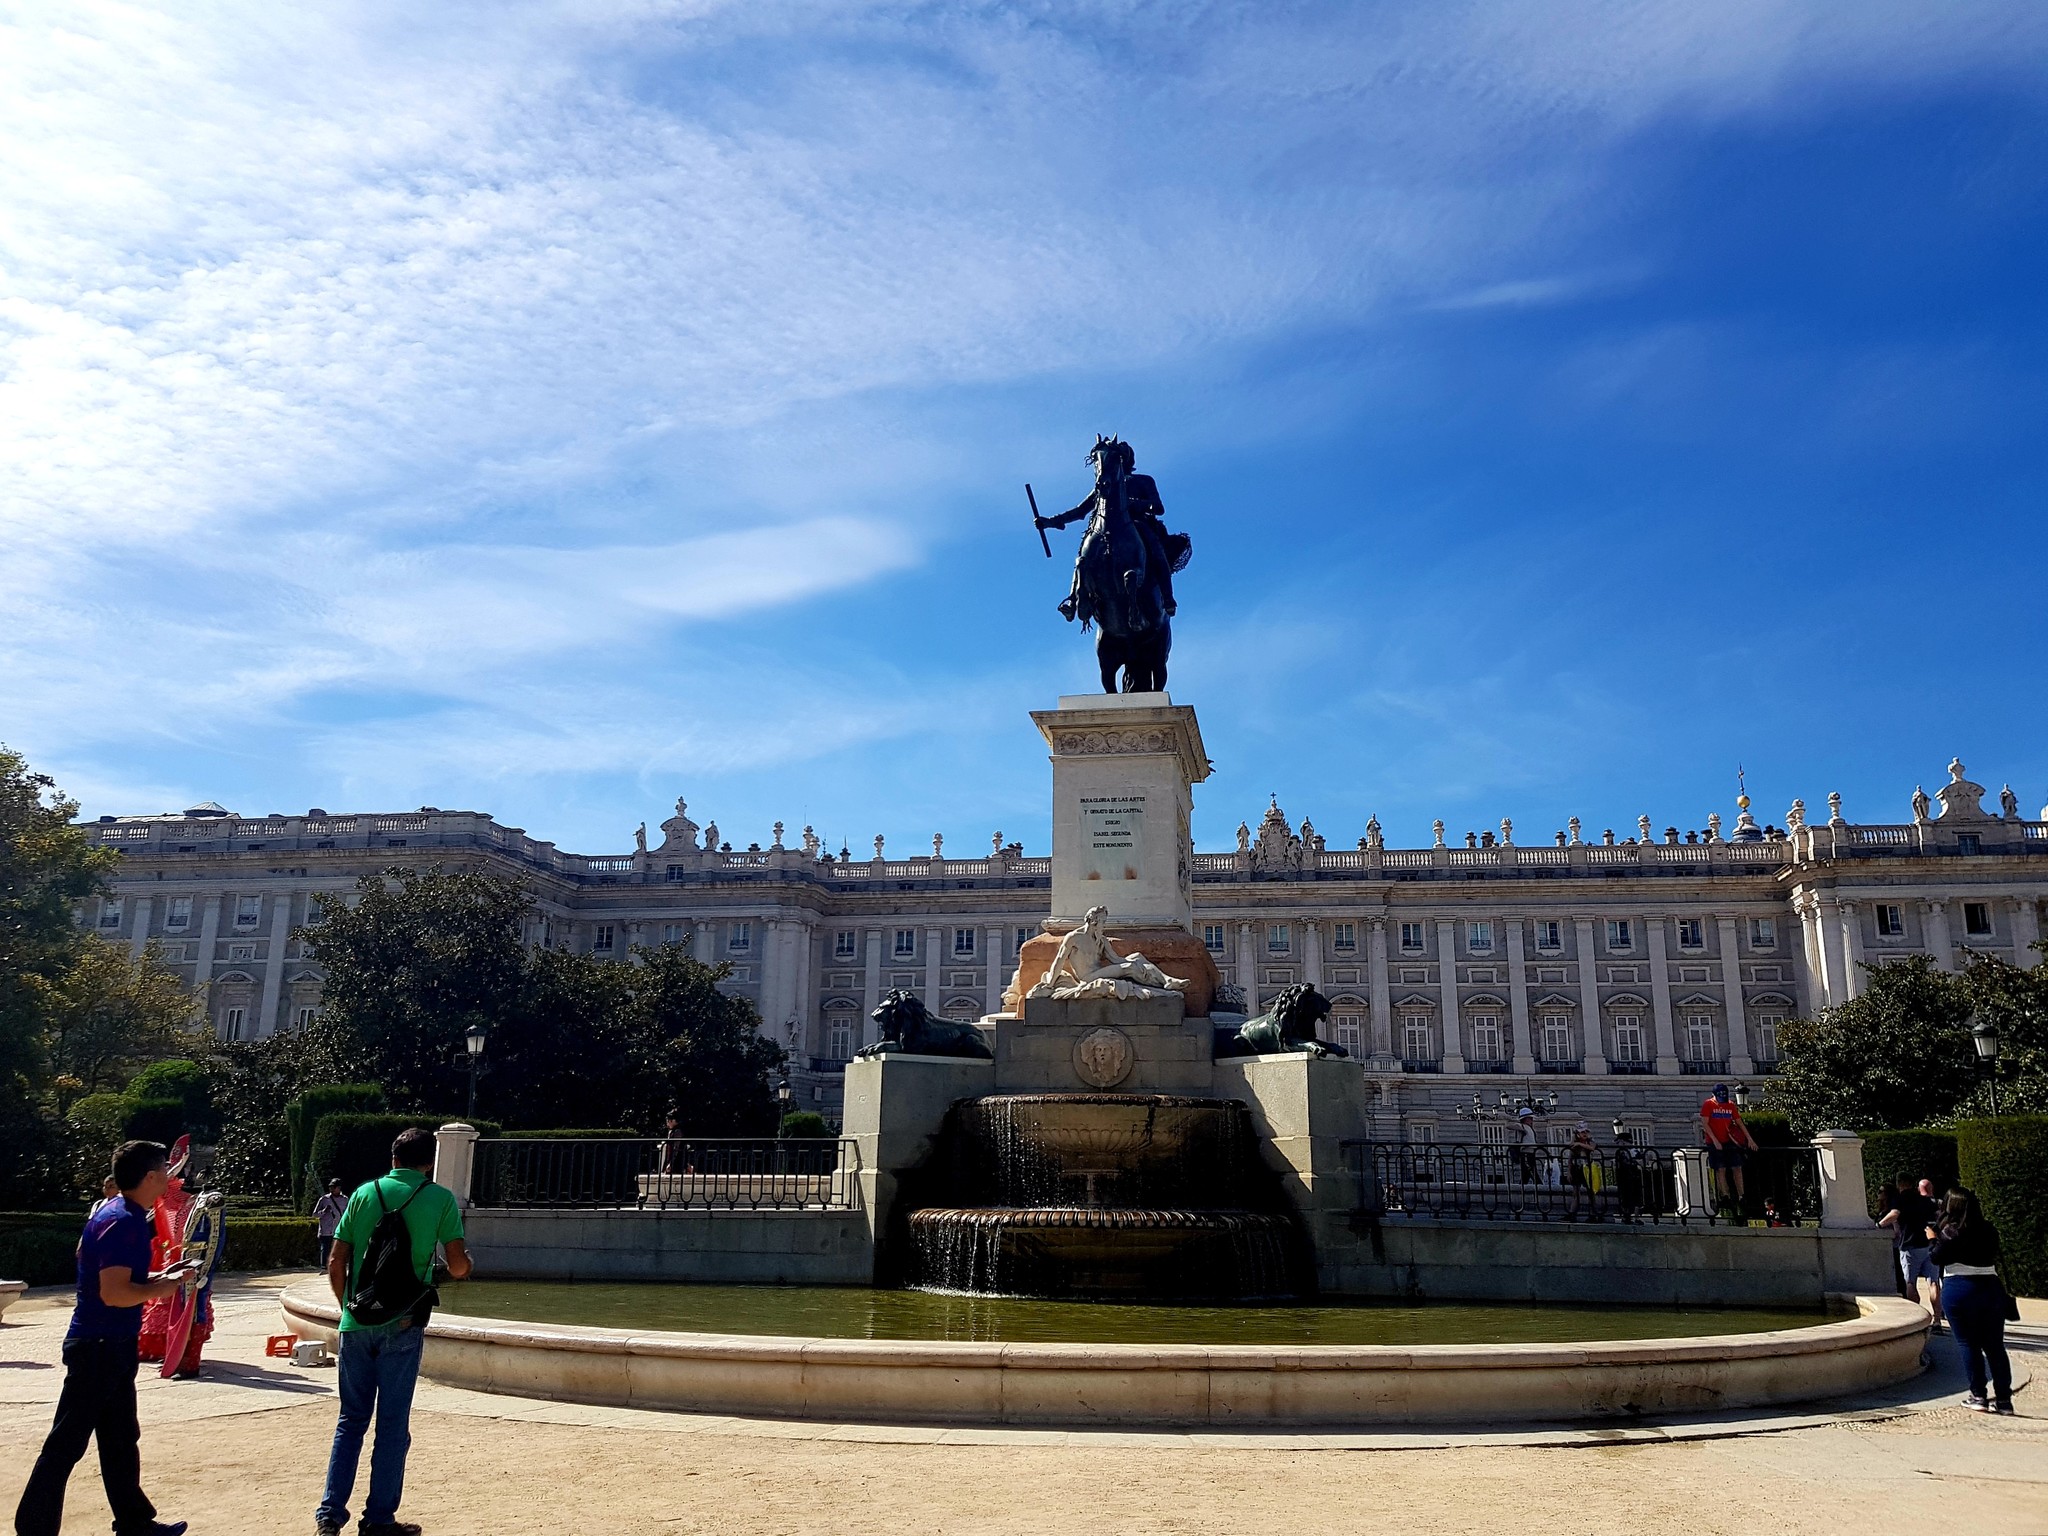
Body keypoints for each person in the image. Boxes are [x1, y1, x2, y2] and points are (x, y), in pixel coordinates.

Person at [14, 1140, 192, 1536]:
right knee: (68, 1442)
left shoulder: (118, 1214)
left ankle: (135, 1522)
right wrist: (161, 1289)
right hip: (99, 1346)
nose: (170, 1174)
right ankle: (34, 1528)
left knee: (120, 1439)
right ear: (150, 1177)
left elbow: (103, 1273)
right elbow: (114, 1294)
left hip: (107, 1344)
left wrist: (165, 1278)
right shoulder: (124, 1219)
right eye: (164, 1168)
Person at [316, 1128, 472, 1536]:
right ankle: (379, 1520)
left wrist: (345, 1308)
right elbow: (456, 1266)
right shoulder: (439, 1198)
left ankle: (329, 1516)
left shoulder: (364, 1194)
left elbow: (336, 1260)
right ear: (429, 1163)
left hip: (356, 1322)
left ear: (393, 1158)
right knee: (391, 1425)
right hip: (403, 1322)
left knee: (350, 1421)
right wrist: (466, 1264)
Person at [1928, 1186, 2013, 1414]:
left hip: (1959, 1285)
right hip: (1990, 1285)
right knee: (1995, 1345)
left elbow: (1936, 1257)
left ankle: (1978, 1395)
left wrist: (1932, 1238)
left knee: (1968, 1344)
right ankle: (2004, 1399)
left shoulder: (1951, 1231)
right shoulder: (1988, 1229)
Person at [136, 1139, 211, 1376]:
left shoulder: (187, 1204)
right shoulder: (161, 1204)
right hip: (169, 1255)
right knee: (169, 1302)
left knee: (188, 1304)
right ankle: (173, 1351)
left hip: (185, 1261)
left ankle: (184, 1354)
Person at [1877, 1173, 1945, 1328]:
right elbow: (1938, 1215)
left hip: (1909, 1244)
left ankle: (1918, 1319)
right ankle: (1937, 1320)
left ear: (1900, 1184)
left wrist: (1878, 1225)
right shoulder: (1924, 1200)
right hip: (1928, 1243)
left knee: (1910, 1282)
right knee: (1933, 1282)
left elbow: (1894, 1215)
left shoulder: (1901, 1199)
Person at [1697, 1083, 1758, 1210]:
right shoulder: (1708, 1104)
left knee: (1737, 1167)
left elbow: (1739, 1122)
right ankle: (1725, 1196)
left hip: (1730, 1140)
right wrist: (1715, 1141)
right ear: (1714, 1095)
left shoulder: (1730, 1105)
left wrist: (1750, 1139)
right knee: (1721, 1169)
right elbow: (1705, 1124)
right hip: (1714, 1142)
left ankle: (1742, 1196)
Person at [314, 1178, 349, 1267]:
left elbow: (348, 1214)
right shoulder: (324, 1199)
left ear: (339, 1188)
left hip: (338, 1229)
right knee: (325, 1249)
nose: (332, 1189)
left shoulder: (345, 1199)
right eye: (331, 1187)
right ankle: (324, 1267)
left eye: (334, 1187)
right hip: (326, 1230)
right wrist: (324, 1211)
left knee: (338, 1249)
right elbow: (314, 1214)